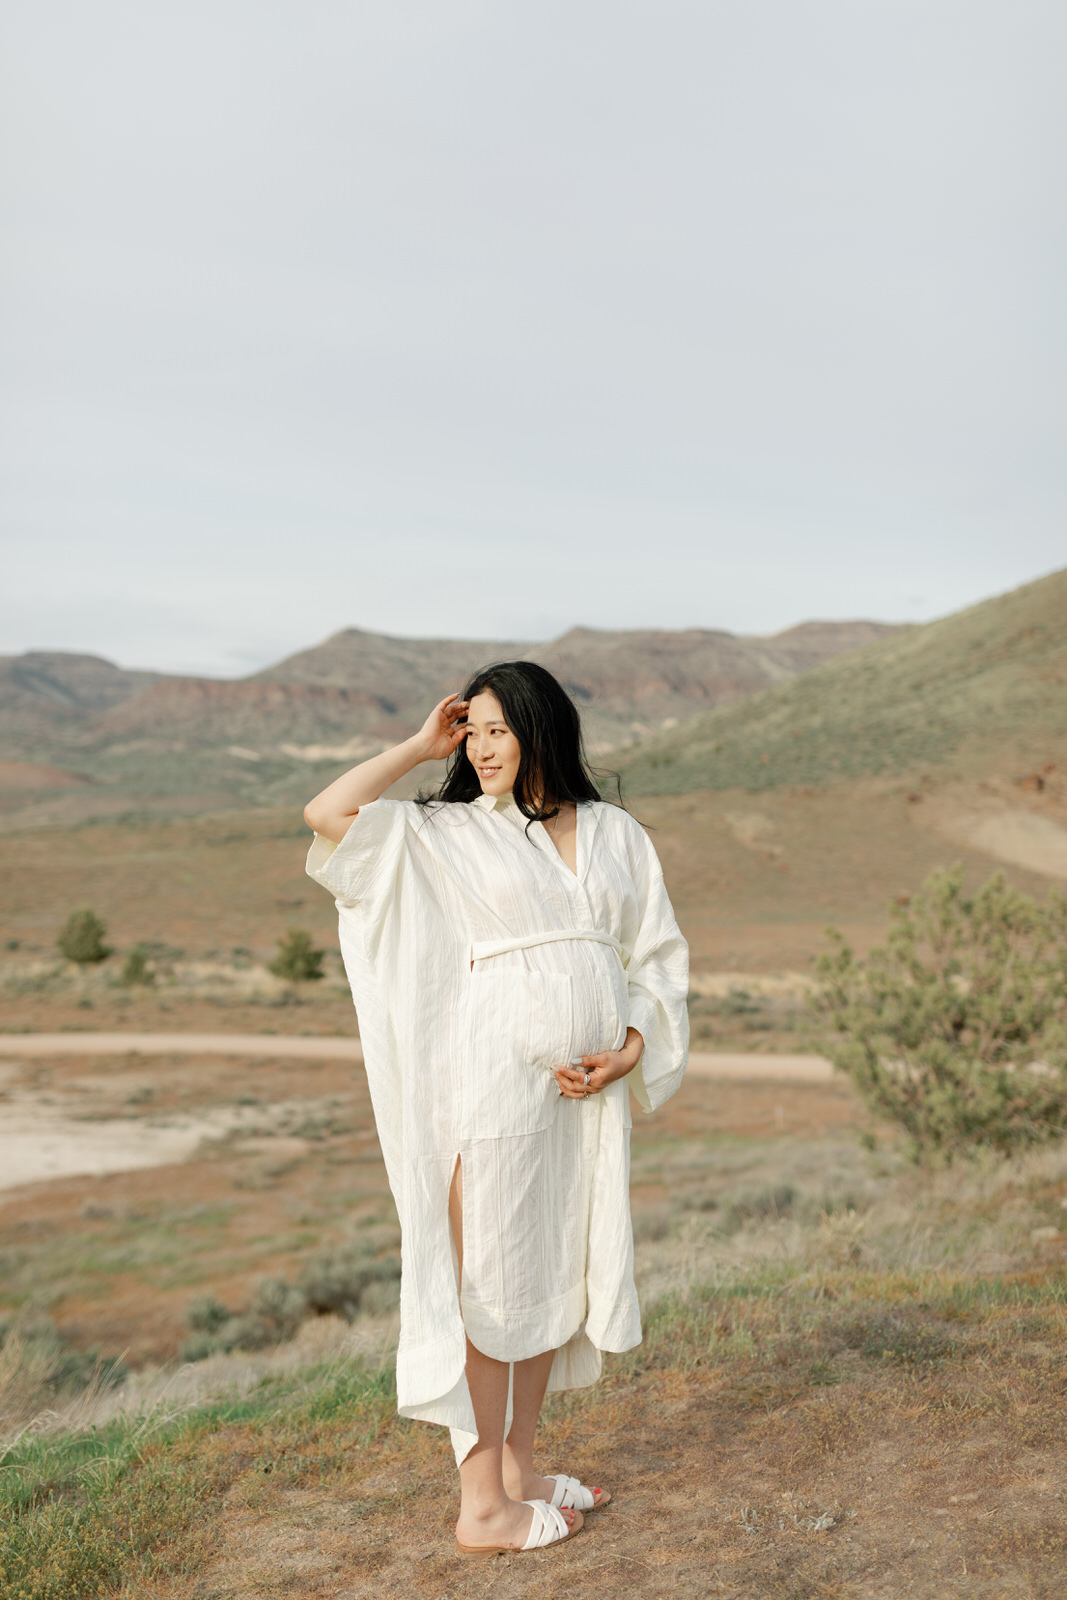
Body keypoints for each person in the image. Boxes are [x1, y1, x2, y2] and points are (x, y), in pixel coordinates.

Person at [303, 660, 688, 1556]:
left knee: (552, 1268)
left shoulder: (616, 835)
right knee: (486, 1286)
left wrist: (629, 1050)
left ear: (542, 729)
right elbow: (327, 817)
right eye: (468, 731)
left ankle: (518, 1468)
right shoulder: (446, 832)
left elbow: (656, 956)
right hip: (489, 1089)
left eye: (496, 730)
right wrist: (416, 746)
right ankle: (482, 1504)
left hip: (584, 1096)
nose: (479, 748)